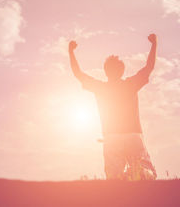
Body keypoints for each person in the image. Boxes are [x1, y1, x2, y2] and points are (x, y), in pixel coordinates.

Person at [68, 34, 158, 180]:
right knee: (148, 173)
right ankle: (140, 173)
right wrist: (154, 44)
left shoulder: (101, 88)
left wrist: (70, 52)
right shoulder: (130, 84)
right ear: (122, 71)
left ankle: (123, 178)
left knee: (114, 179)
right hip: (133, 135)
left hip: (111, 138)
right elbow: (149, 67)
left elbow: (78, 74)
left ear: (105, 71)